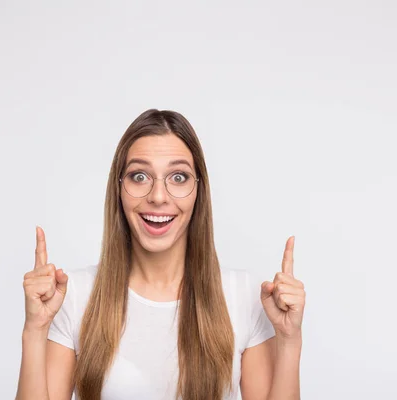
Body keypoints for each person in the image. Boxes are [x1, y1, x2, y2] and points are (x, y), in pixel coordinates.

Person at [16, 109, 306, 400]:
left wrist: (289, 341)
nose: (157, 196)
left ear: (198, 191)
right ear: (119, 189)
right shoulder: (76, 295)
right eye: (139, 176)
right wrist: (35, 330)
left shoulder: (243, 295)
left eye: (178, 177)